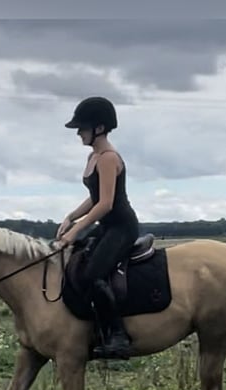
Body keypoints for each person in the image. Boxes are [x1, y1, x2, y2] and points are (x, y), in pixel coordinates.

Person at [56, 96, 140, 360]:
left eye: (82, 127)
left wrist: (75, 230)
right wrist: (70, 216)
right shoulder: (94, 157)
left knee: (93, 275)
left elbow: (105, 203)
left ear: (99, 128)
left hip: (122, 227)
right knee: (79, 261)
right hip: (107, 226)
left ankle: (117, 336)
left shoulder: (108, 158)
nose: (79, 133)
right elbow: (94, 196)